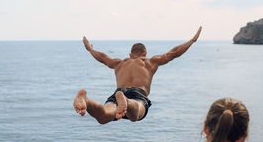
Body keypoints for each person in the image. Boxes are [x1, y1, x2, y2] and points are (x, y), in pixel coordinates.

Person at [73, 26, 202, 124]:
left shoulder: (120, 63)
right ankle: (127, 102)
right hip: (137, 94)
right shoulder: (150, 62)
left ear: (130, 55)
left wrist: (90, 49)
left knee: (103, 116)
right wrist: (192, 41)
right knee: (134, 115)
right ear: (145, 53)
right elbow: (173, 53)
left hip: (119, 91)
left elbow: (102, 57)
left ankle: (87, 101)